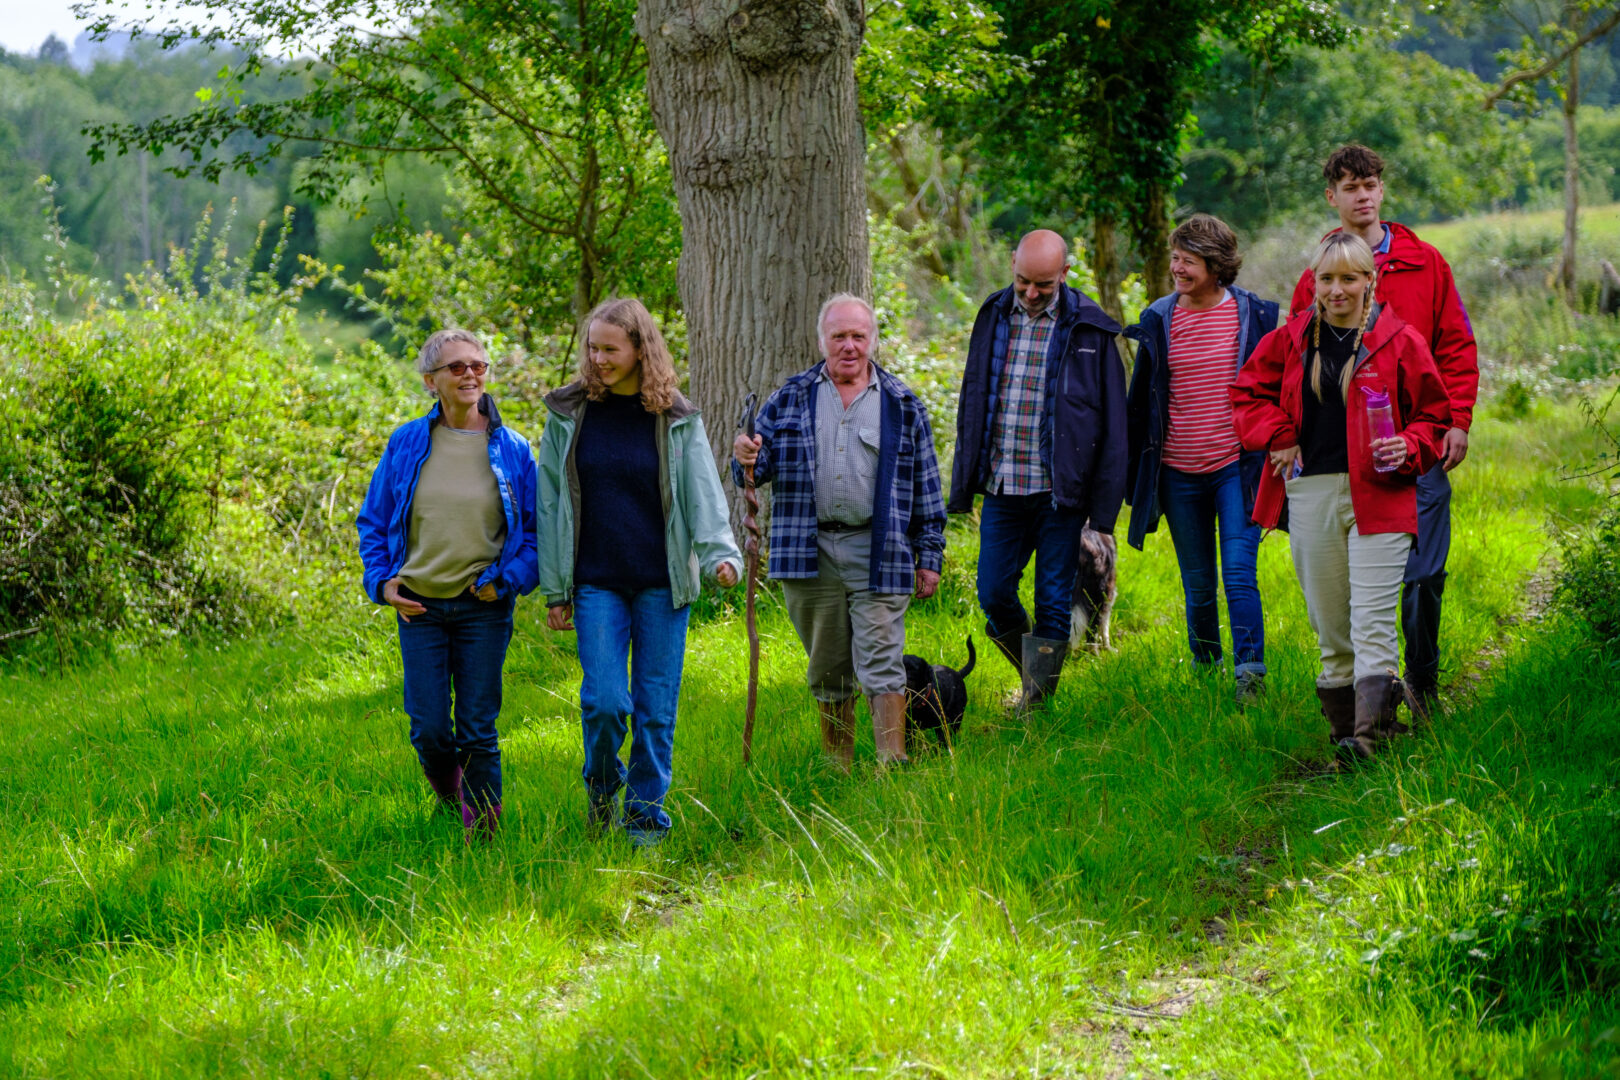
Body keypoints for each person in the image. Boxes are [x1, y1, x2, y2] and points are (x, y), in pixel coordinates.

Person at [1232, 233, 1451, 763]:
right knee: (1330, 628)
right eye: (1326, 279)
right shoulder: (1289, 341)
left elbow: (1433, 415)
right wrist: (1279, 432)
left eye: (1349, 278)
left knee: (1372, 621)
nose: (1337, 290)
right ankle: (1345, 736)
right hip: (1311, 493)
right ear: (1313, 283)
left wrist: (1412, 443)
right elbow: (1245, 396)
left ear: (1369, 281)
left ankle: (1370, 745)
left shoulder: (1398, 340)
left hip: (1382, 496)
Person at [536, 298, 742, 847]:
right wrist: (555, 587)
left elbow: (701, 493)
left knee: (655, 709)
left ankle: (645, 818)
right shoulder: (569, 412)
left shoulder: (674, 416)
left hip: (661, 581)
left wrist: (722, 554)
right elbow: (551, 502)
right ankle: (603, 793)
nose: (597, 358)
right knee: (605, 701)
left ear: (639, 349)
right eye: (592, 347)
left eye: (609, 348)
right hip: (596, 580)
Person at [1288, 145, 1478, 712]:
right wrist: (1288, 434)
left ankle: (1421, 685)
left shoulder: (1427, 262)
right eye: (1350, 187)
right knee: (1351, 589)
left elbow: (1456, 345)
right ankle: (1365, 699)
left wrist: (1458, 422)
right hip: (1346, 464)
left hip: (1418, 446)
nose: (1362, 195)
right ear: (1333, 197)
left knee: (1422, 575)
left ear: (1381, 191)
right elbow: (1293, 362)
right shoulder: (1316, 274)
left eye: (1371, 184)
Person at [732, 293, 946, 769]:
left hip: (881, 546)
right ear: (822, 341)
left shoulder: (902, 404)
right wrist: (745, 454)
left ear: (872, 340)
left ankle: (893, 763)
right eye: (839, 337)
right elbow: (751, 470)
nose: (849, 346)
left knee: (882, 660)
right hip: (809, 550)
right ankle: (838, 767)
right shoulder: (789, 398)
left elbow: (927, 487)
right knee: (828, 665)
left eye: (858, 336)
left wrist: (929, 556)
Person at [356, 328, 539, 840]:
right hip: (420, 607)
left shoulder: (514, 449)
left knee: (478, 729)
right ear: (430, 381)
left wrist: (508, 582)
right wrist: (381, 583)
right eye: (456, 367)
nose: (470, 375)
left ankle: (483, 836)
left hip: (483, 606)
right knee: (430, 729)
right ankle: (449, 793)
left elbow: (536, 533)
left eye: (478, 366)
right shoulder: (407, 442)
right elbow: (374, 520)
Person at [947, 229, 1128, 708]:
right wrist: (964, 480)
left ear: (1065, 274)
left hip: (1060, 494)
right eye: (1024, 281)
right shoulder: (992, 314)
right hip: (1003, 486)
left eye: (1043, 285)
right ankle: (1035, 680)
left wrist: (1105, 508)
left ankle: (1036, 705)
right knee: (994, 593)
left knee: (1052, 601)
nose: (1031, 293)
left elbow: (1113, 422)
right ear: (1012, 264)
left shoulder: (1092, 328)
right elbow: (974, 398)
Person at [1125, 214, 1279, 705]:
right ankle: (1206, 665)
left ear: (1216, 266)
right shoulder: (1159, 317)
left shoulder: (1253, 314)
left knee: (1238, 572)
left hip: (1237, 465)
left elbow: (1274, 388)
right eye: (1174, 258)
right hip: (1177, 471)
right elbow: (1141, 401)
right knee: (1199, 584)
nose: (1177, 268)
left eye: (1187, 261)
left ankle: (1249, 677)